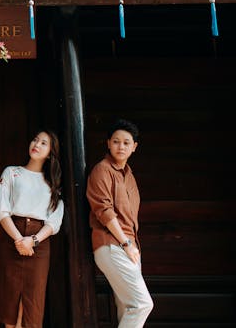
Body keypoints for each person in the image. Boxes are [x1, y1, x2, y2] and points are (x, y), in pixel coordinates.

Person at [0, 130, 64, 328]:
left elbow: (54, 220)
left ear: (50, 153)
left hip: (39, 244)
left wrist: (33, 240)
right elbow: (0, 209)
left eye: (44, 143)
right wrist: (19, 240)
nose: (37, 144)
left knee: (34, 298)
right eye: (35, 140)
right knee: (10, 296)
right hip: (12, 236)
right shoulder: (12, 172)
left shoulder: (52, 182)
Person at [86, 119, 153, 327]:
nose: (121, 146)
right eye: (116, 141)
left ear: (134, 147)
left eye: (126, 142)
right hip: (113, 244)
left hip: (129, 247)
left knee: (126, 307)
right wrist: (125, 243)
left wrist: (131, 246)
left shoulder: (129, 176)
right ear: (108, 143)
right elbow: (104, 211)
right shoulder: (102, 170)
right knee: (141, 304)